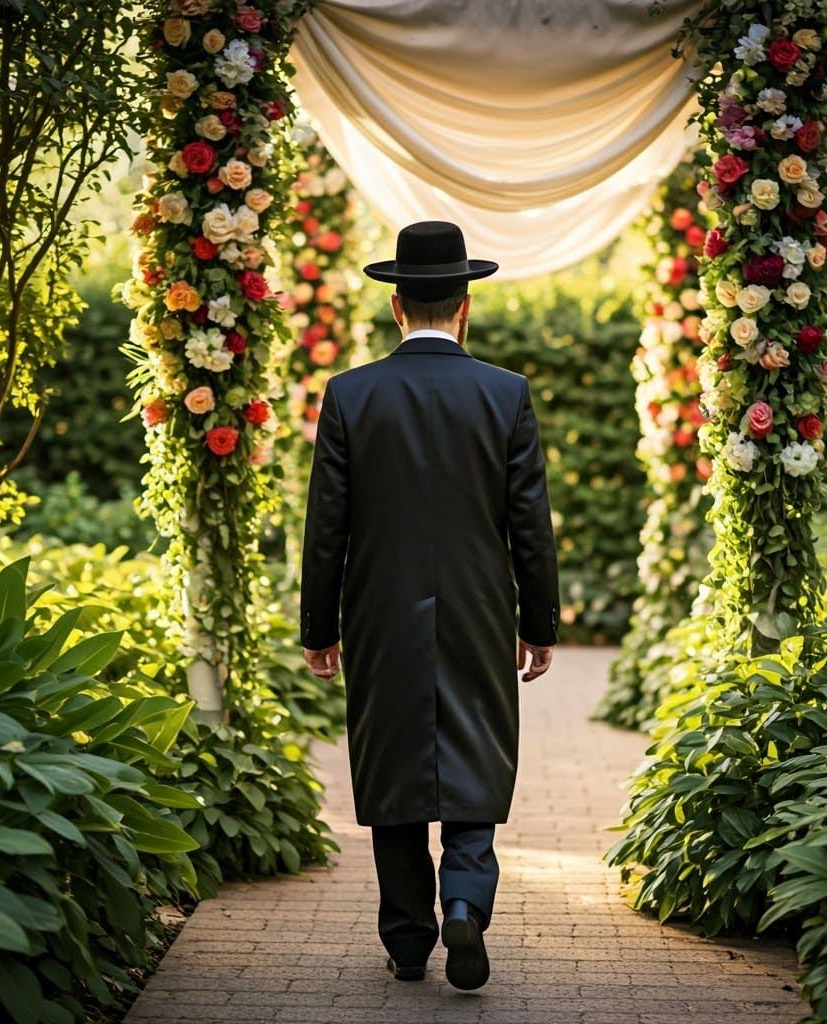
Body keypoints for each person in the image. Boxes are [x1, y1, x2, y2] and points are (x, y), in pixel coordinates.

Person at [300, 220, 559, 991]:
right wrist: (538, 624)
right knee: (475, 751)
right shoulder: (505, 394)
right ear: (466, 304)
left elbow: (327, 528)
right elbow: (529, 525)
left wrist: (320, 628)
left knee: (393, 764)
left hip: (379, 616)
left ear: (395, 306)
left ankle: (409, 939)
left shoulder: (349, 394)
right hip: (482, 614)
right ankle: (467, 903)